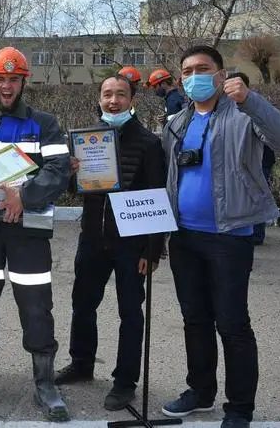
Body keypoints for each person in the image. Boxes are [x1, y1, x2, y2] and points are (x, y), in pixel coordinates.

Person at [161, 46, 280, 427]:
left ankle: (239, 408)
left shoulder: (242, 114)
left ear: (222, 75)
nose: (194, 77)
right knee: (195, 320)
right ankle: (200, 391)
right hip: (184, 237)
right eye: (187, 71)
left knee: (233, 324)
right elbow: (165, 172)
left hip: (230, 237)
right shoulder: (177, 122)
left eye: (203, 69)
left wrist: (251, 100)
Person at [0, 47, 71, 421]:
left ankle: (45, 384)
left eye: (13, 79)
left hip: (28, 231)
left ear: (24, 82)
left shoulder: (45, 124)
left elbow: (58, 170)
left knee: (37, 307)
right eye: (0, 79)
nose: (7, 86)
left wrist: (24, 196)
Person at [54, 75, 166, 411]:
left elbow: (157, 195)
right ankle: (81, 364)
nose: (113, 101)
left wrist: (152, 249)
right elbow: (76, 190)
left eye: (120, 94)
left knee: (130, 312)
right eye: (107, 95)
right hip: (92, 237)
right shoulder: (87, 138)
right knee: (82, 304)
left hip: (131, 242)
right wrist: (72, 172)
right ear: (100, 99)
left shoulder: (148, 142)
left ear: (132, 100)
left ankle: (125, 381)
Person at [225, 72, 276, 246]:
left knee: (257, 194)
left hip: (261, 159)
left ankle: (257, 235)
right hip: (253, 159)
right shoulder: (232, 107)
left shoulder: (253, 105)